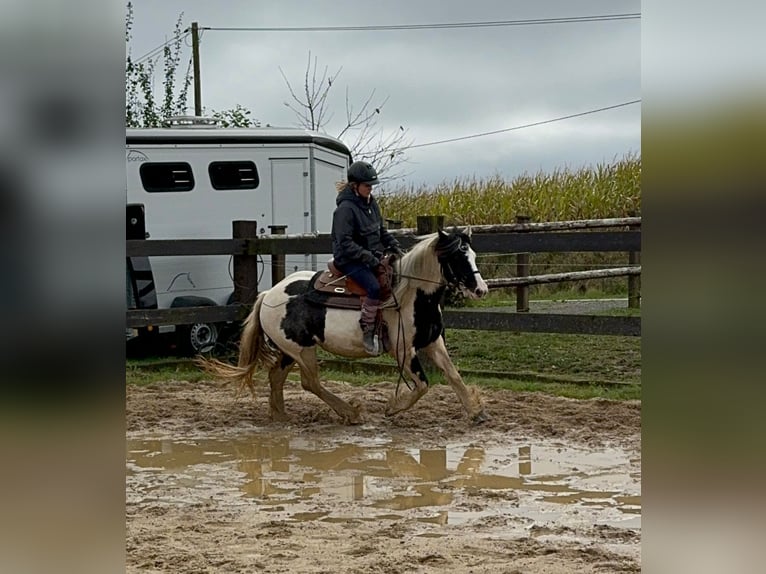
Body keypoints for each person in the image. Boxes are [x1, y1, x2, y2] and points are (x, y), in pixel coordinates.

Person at [331, 161, 404, 355]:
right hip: (349, 260)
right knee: (374, 287)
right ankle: (368, 329)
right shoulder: (345, 209)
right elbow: (345, 243)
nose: (370, 189)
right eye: (367, 185)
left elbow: (380, 231)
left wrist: (393, 245)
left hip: (370, 256)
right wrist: (371, 259)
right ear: (355, 186)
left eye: (372, 186)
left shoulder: (371, 204)